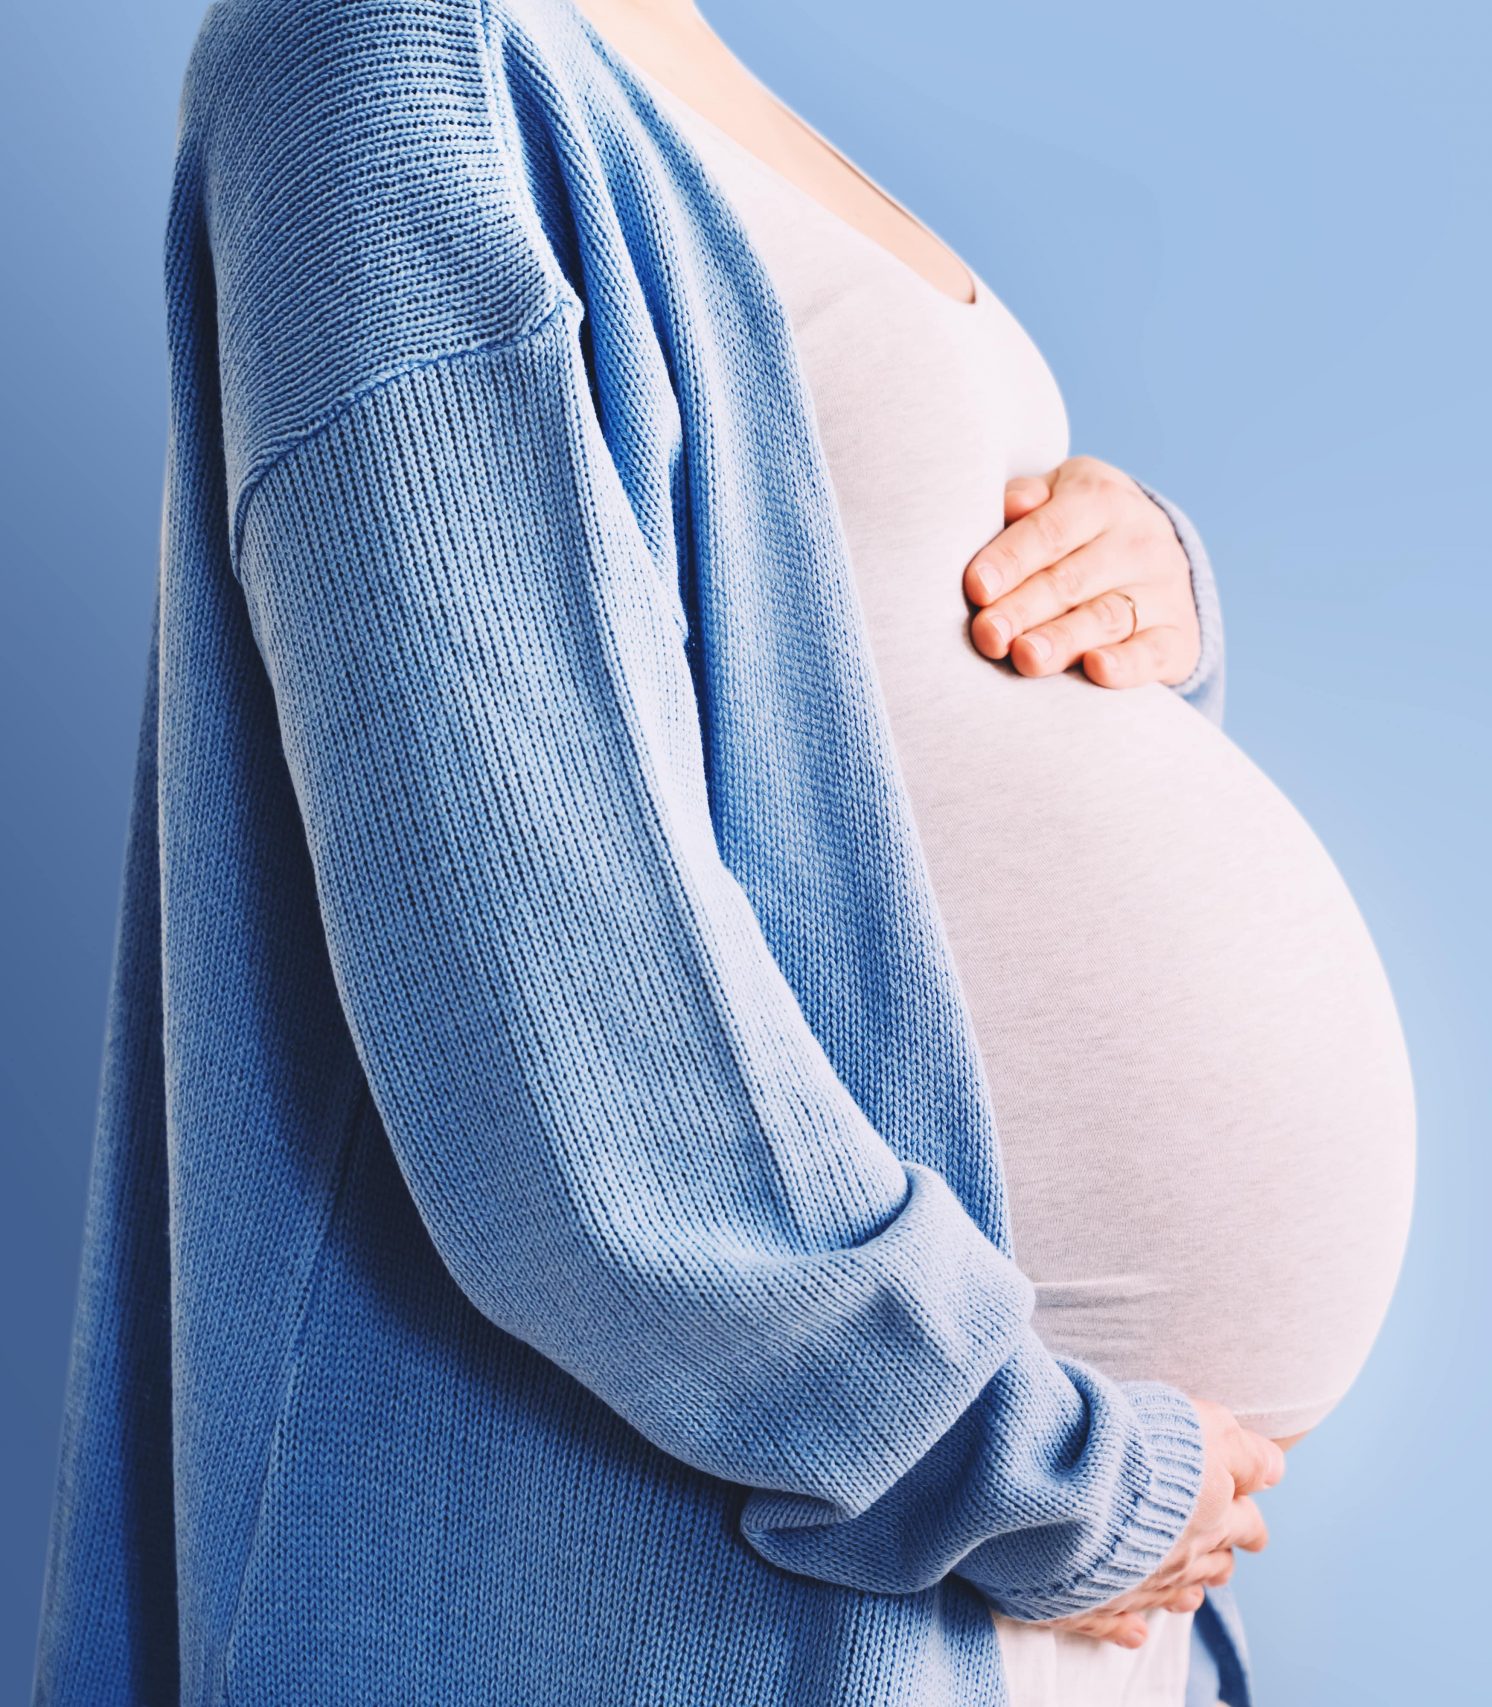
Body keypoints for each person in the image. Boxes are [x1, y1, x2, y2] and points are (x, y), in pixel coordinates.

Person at [34, 0, 1414, 1703]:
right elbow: (541, 990)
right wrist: (1023, 1464)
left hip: (1026, 1594)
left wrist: (1134, 610)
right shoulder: (378, 57)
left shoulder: (668, 47)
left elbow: (843, 706)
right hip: (745, 1565)